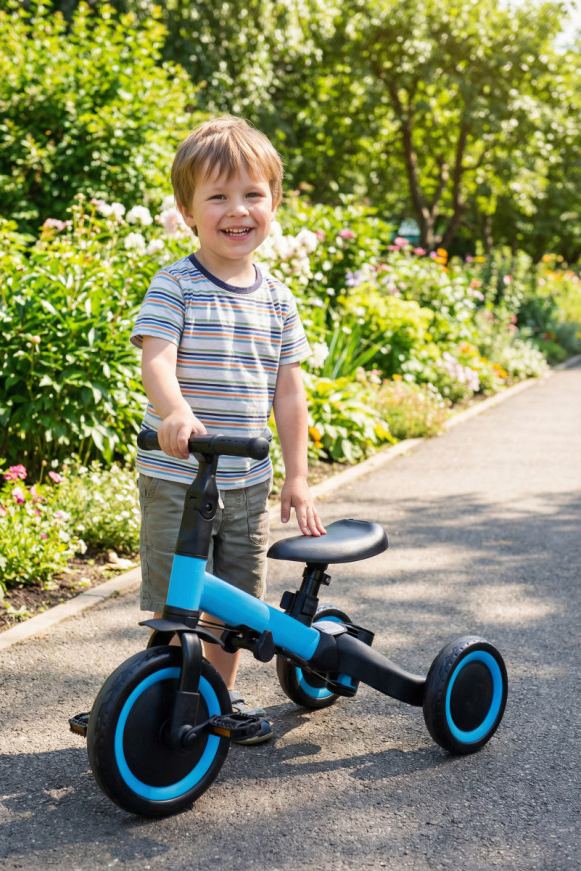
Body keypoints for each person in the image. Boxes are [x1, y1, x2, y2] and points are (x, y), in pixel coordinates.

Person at [130, 116, 325, 743]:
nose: (236, 210)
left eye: (251, 194)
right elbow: (154, 354)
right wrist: (176, 411)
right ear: (188, 212)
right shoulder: (177, 284)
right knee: (176, 600)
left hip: (247, 481)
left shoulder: (278, 300)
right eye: (217, 196)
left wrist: (298, 476)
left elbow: (289, 393)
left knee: (234, 603)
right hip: (178, 476)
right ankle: (151, 694)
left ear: (274, 204)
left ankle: (221, 697)